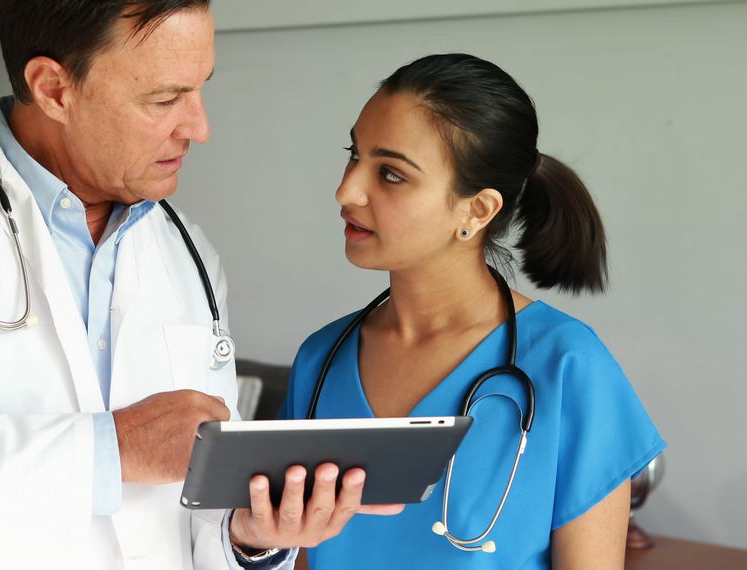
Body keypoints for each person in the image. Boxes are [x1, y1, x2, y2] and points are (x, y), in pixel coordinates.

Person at [0, 1, 370, 568]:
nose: (199, 126)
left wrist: (248, 536)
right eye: (165, 98)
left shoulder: (186, 251)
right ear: (54, 88)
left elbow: (184, 516)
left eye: (199, 87)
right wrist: (112, 450)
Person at [276, 53, 666, 568]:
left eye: (390, 174)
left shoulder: (568, 365)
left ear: (477, 210)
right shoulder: (321, 359)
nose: (346, 190)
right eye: (354, 155)